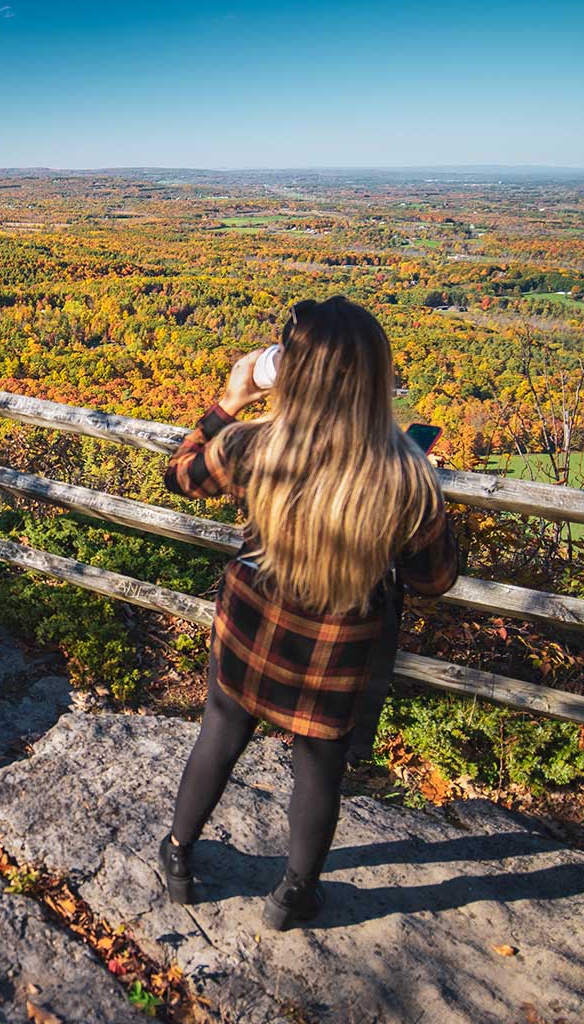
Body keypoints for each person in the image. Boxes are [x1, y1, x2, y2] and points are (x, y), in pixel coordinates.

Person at [158, 295, 459, 930]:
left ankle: (179, 856)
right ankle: (293, 894)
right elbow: (434, 580)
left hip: (249, 629)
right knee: (319, 768)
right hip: (337, 653)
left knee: (220, 733)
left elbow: (181, 475)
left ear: (287, 375)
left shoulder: (252, 446)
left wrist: (229, 403)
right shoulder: (407, 477)